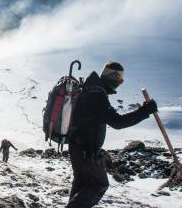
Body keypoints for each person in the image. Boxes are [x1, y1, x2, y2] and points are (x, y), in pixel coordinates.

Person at [67, 61, 158, 208]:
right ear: (113, 78)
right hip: (86, 150)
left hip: (78, 147)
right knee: (98, 184)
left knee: (83, 184)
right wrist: (144, 111)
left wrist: (143, 111)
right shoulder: (97, 94)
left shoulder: (91, 89)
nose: (120, 82)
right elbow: (117, 122)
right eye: (119, 78)